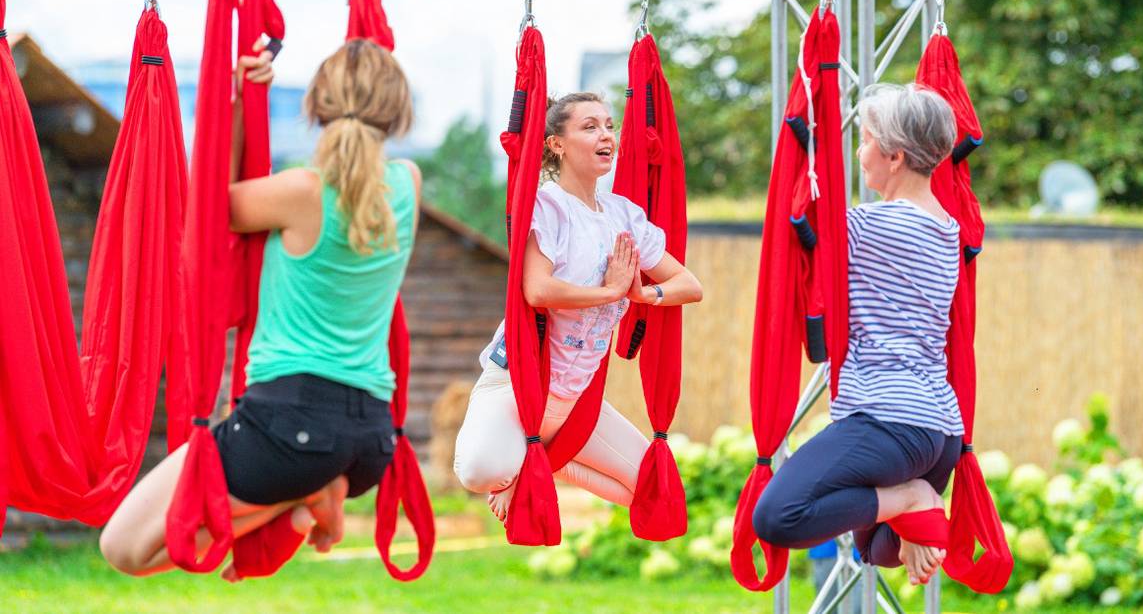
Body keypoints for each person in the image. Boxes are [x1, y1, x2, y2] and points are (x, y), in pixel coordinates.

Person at [100, 38, 421, 580]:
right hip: (372, 436)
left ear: (317, 104)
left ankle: (304, 496)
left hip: (289, 428)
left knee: (124, 549)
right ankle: (315, 494)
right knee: (172, 535)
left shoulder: (299, 191)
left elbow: (206, 206)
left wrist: (237, 99)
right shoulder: (408, 184)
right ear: (398, 112)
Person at [453, 92, 702, 523]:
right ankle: (517, 467)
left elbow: (689, 284)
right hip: (520, 385)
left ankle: (538, 464)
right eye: (590, 127)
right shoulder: (547, 205)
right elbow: (537, 290)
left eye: (608, 125)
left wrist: (643, 295)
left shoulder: (624, 215)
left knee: (647, 489)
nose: (606, 135)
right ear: (557, 144)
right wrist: (609, 293)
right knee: (479, 472)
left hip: (575, 399)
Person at [752, 83, 964, 587]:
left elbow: (800, 216)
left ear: (894, 156)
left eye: (864, 141)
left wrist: (804, 138)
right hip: (938, 430)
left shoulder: (870, 227)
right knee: (880, 548)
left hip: (888, 418)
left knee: (778, 516)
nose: (859, 153)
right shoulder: (949, 227)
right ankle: (913, 497)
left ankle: (912, 496)